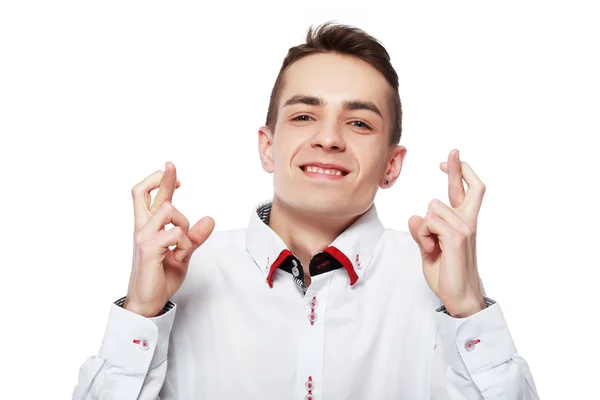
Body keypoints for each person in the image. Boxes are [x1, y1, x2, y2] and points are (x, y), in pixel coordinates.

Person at [72, 22, 539, 399]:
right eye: (303, 116)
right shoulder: (187, 276)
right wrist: (140, 312)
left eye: (358, 122)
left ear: (392, 166)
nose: (329, 138)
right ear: (268, 148)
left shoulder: (438, 287)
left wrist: (467, 312)